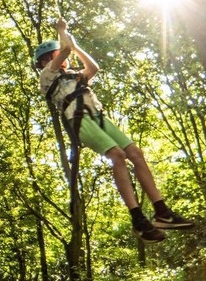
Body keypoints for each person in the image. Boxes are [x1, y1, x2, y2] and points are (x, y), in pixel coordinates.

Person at [34, 18, 193, 243]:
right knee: (117, 155)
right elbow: (66, 48)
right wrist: (62, 31)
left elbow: (93, 68)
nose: (65, 57)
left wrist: (75, 45)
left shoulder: (74, 75)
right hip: (79, 120)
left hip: (98, 117)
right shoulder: (46, 77)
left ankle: (162, 211)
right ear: (47, 60)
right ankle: (138, 219)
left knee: (135, 153)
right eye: (58, 54)